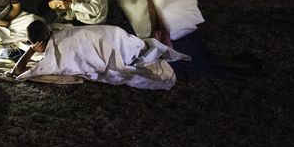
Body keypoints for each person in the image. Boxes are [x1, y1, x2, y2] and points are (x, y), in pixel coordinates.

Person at [12, 21, 188, 90]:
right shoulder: (61, 31)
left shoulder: (54, 56)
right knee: (139, 47)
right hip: (115, 33)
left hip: (112, 44)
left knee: (124, 61)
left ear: (39, 44)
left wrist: (31, 51)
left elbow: (18, 71)